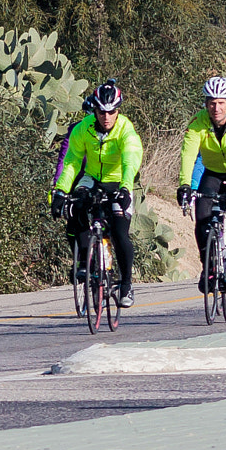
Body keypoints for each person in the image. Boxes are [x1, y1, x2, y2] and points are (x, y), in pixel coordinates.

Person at [50, 82, 144, 308]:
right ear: (95, 110)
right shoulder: (84, 128)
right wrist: (61, 191)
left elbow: (130, 162)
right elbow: (71, 162)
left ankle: (126, 284)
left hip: (118, 179)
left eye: (112, 111)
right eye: (102, 111)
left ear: (118, 110)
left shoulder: (126, 131)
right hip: (91, 177)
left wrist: (124, 189)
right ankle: (85, 261)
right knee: (77, 206)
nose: (107, 116)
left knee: (120, 232)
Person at [177, 76, 226, 284]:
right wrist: (185, 184)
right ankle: (208, 266)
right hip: (212, 172)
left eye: (221, 102)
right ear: (206, 103)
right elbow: (188, 154)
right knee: (202, 217)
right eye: (212, 102)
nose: (216, 108)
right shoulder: (197, 123)